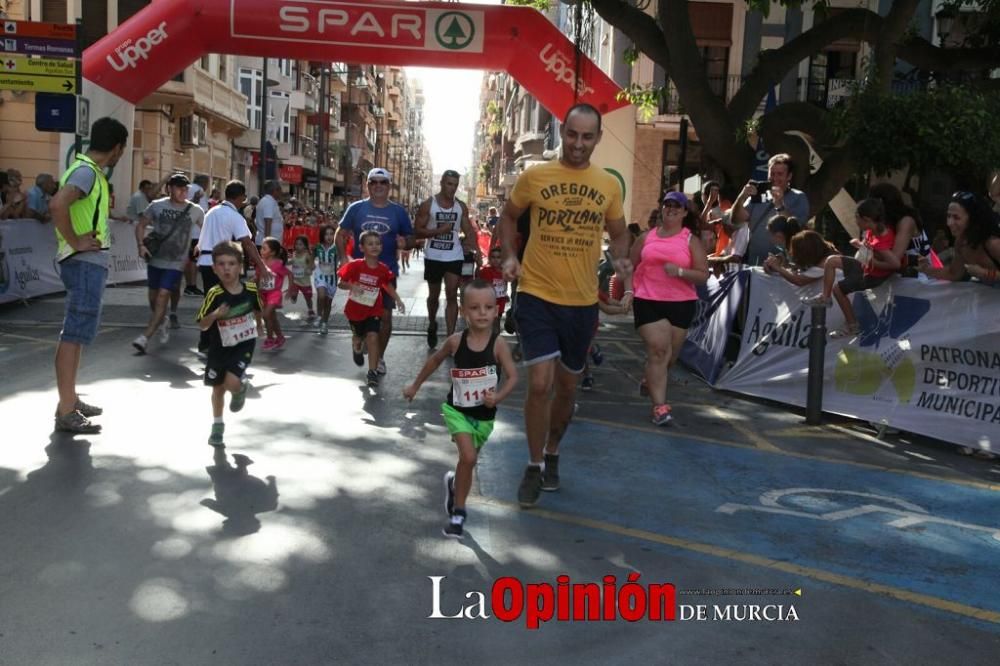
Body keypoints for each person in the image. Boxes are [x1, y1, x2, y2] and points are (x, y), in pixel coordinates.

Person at [499, 102, 632, 508]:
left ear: (597, 138)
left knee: (567, 389)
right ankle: (534, 465)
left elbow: (619, 232)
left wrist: (622, 260)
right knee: (540, 383)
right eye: (572, 134)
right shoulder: (535, 176)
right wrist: (509, 254)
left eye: (586, 137)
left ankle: (553, 451)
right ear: (562, 131)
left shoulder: (608, 184)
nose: (577, 143)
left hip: (581, 301)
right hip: (537, 293)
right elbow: (508, 217)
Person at [403, 279, 518, 539]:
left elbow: (512, 376)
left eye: (488, 307)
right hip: (457, 411)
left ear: (496, 311)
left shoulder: (498, 344)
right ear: (464, 312)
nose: (482, 313)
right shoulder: (456, 341)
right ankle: (459, 512)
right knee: (468, 458)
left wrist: (497, 397)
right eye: (475, 308)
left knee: (467, 462)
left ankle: (455, 486)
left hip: (484, 415)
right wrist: (415, 385)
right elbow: (434, 360)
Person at [50, 116, 129, 433]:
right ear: (117, 148)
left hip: (83, 261)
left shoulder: (86, 170)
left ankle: (69, 400)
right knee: (73, 335)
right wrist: (76, 242)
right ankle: (67, 410)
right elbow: (58, 205)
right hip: (83, 262)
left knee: (76, 334)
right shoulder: (86, 172)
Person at [630, 191, 709, 425]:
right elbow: (628, 265)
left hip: (681, 303)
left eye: (677, 206)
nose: (671, 209)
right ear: (662, 208)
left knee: (670, 358)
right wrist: (626, 291)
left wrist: (681, 272)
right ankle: (660, 408)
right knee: (659, 351)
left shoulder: (690, 241)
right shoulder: (646, 238)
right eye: (667, 204)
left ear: (685, 212)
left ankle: (650, 379)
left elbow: (703, 275)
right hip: (647, 300)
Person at [335, 167, 414, 376]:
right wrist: (344, 258)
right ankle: (359, 341)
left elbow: (411, 238)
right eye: (373, 182)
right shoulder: (356, 208)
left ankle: (378, 358)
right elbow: (340, 234)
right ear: (367, 185)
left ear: (389, 186)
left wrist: (406, 242)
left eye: (383, 182)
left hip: (386, 273)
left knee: (385, 317)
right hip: (361, 273)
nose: (378, 186)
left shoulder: (398, 212)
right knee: (361, 317)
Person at [197, 242, 263, 447]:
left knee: (231, 382)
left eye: (232, 263)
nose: (227, 268)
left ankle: (239, 389)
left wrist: (260, 326)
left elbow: (257, 309)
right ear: (214, 268)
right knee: (217, 389)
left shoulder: (250, 289)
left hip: (243, 344)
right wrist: (216, 314)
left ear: (240, 267)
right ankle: (217, 426)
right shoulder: (214, 294)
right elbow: (202, 324)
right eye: (221, 264)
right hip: (219, 348)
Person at [803, 198, 900, 337]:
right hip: (864, 265)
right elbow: (869, 249)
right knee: (830, 261)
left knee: (838, 289)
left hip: (873, 275)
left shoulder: (880, 241)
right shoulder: (872, 230)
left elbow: (894, 264)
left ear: (866, 219)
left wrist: (872, 262)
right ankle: (825, 297)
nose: (855, 220)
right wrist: (860, 245)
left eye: (856, 217)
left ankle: (852, 325)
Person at [132, 173, 205, 353]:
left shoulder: (195, 210)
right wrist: (141, 245)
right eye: (179, 187)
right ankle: (162, 319)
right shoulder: (157, 206)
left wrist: (201, 246)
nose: (183, 191)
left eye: (185, 188)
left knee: (164, 295)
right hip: (156, 259)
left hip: (176, 262)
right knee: (153, 298)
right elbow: (141, 225)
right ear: (169, 189)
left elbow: (207, 229)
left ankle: (145, 337)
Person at [414, 169, 478, 348]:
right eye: (449, 184)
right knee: (433, 296)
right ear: (442, 183)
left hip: (453, 255)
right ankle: (432, 323)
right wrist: (438, 231)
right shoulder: (429, 204)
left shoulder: (460, 206)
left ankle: (451, 338)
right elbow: (417, 230)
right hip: (433, 256)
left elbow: (470, 231)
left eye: (455, 185)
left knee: (451, 294)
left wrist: (477, 252)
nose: (452, 188)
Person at [337, 230, 406, 388]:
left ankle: (372, 372)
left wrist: (398, 299)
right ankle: (357, 346)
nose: (375, 246)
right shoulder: (355, 266)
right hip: (355, 311)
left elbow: (386, 285)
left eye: (378, 243)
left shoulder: (382, 269)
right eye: (370, 244)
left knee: (373, 336)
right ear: (361, 248)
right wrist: (352, 286)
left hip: (374, 309)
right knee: (358, 337)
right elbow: (340, 283)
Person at [730, 153, 810, 265]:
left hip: (783, 267)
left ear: (789, 176)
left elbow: (796, 230)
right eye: (772, 173)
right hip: (755, 265)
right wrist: (741, 197)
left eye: (780, 174)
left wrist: (780, 204)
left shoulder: (799, 197)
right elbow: (735, 220)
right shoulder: (758, 195)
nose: (775, 178)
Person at [918, 191, 1000, 286]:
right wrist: (925, 268)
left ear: (972, 219)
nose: (949, 223)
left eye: (956, 217)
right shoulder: (961, 243)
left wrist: (985, 273)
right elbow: (954, 274)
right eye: (948, 216)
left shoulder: (993, 243)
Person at [868, 182, 933, 277]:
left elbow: (894, 260)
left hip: (917, 278)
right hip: (899, 275)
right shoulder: (888, 222)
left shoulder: (906, 221)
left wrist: (868, 258)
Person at [765, 229, 839, 291]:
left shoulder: (827, 262)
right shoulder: (825, 254)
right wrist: (779, 264)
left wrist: (778, 268)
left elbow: (799, 281)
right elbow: (799, 271)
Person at [258, 237, 290, 350]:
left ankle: (270, 339)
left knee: (266, 315)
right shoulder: (261, 263)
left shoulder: (277, 264)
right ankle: (280, 337)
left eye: (264, 248)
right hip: (264, 294)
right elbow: (258, 277)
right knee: (272, 318)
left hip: (274, 294)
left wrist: (291, 289)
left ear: (272, 252)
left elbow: (289, 274)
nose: (261, 250)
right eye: (261, 248)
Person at [477, 246, 509, 335]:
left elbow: (505, 285)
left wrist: (505, 294)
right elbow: (479, 282)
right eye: (493, 257)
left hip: (500, 301)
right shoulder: (485, 271)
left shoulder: (505, 271)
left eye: (498, 257)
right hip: (488, 302)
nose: (496, 260)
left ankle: (495, 342)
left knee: (496, 322)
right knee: (488, 322)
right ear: (490, 258)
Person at [313, 224, 338, 336]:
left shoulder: (337, 248)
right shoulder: (317, 247)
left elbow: (341, 262)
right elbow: (310, 260)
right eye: (326, 234)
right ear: (322, 235)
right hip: (320, 274)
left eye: (331, 234)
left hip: (333, 277)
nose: (329, 236)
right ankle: (319, 316)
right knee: (321, 295)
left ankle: (324, 323)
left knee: (328, 302)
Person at [287, 234, 316, 321]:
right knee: (293, 292)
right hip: (295, 281)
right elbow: (292, 261)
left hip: (305, 283)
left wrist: (309, 269)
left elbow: (313, 266)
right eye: (296, 244)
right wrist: (286, 262)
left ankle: (310, 310)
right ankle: (294, 296)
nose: (297, 246)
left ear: (305, 246)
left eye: (300, 244)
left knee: (308, 298)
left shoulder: (307, 255)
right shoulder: (294, 254)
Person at [255, 181, 283, 248]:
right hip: (269, 245)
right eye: (280, 190)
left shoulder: (270, 201)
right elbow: (268, 222)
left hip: (271, 243)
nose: (281, 193)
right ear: (275, 191)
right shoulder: (268, 202)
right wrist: (268, 245)